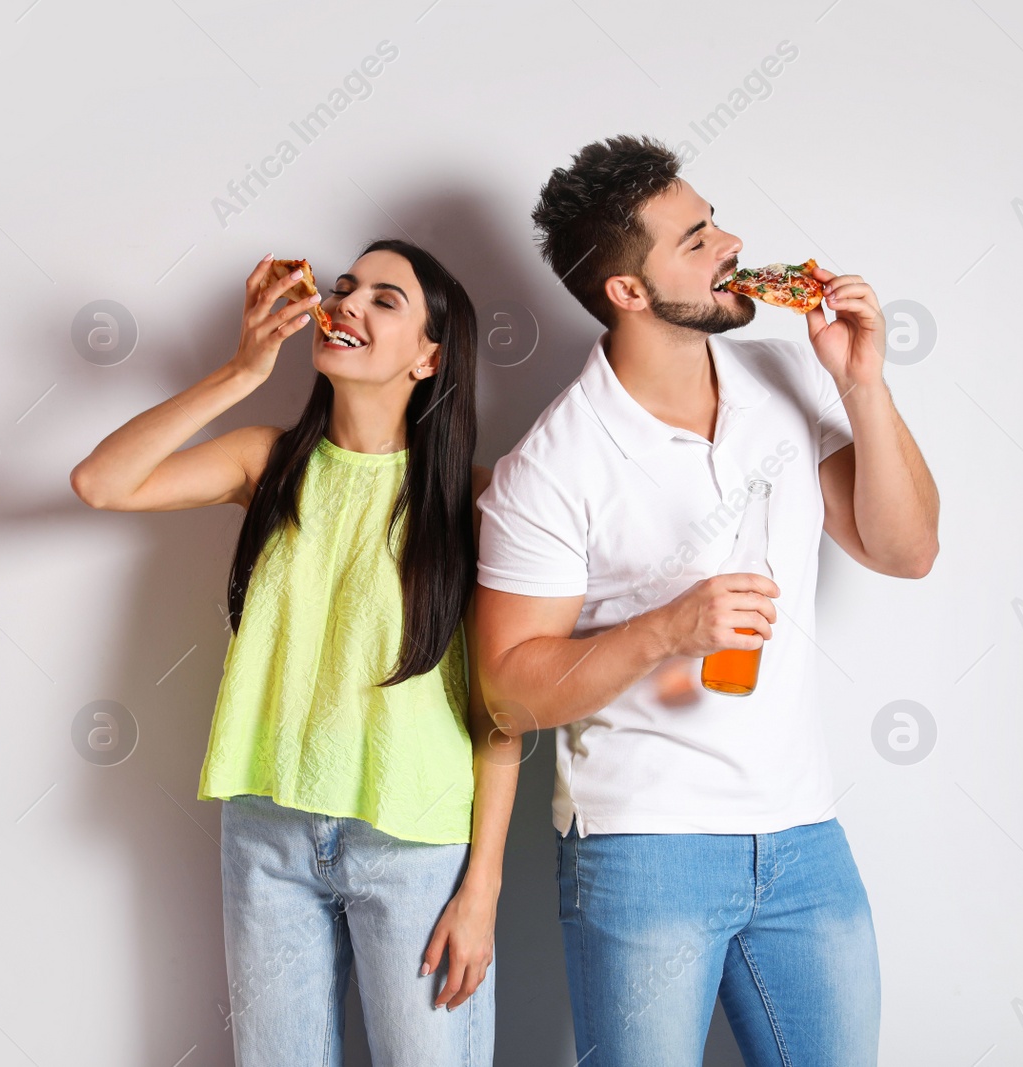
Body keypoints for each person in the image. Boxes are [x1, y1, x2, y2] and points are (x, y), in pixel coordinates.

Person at [473, 135, 939, 1066]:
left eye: (713, 218)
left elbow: (907, 547)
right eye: (695, 239)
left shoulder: (784, 374)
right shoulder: (551, 468)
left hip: (803, 834)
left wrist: (863, 384)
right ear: (628, 293)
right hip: (645, 849)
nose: (730, 242)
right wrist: (666, 628)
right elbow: (508, 693)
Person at [71, 239, 516, 1067]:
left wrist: (482, 888)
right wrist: (241, 371)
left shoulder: (478, 500)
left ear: (429, 357)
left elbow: (504, 709)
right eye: (346, 289)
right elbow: (103, 482)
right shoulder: (268, 460)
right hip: (268, 830)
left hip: (414, 841)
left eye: (386, 300)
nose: (347, 304)